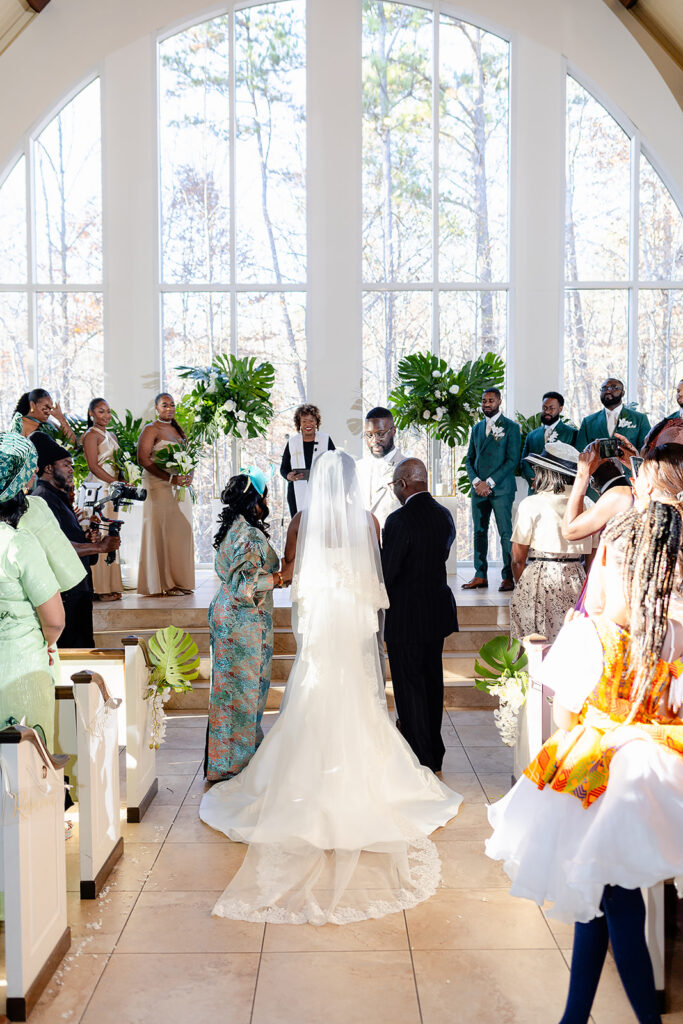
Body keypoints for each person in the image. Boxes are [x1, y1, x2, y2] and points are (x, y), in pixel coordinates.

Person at [199, 450, 462, 925]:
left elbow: (293, 575)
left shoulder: (301, 520)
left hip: (321, 623)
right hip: (354, 622)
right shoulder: (367, 520)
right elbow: (377, 576)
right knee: (361, 696)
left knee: (313, 691)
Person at [486, 500, 683, 1024]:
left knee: (617, 906)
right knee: (595, 907)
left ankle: (645, 1019)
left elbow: (566, 723)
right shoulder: (674, 634)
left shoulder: (589, 635)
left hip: (599, 788)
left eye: (607, 564)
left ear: (624, 573)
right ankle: (573, 1018)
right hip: (648, 786)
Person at [205, 469, 286, 782]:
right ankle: (236, 763)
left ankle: (222, 761)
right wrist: (280, 578)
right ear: (257, 500)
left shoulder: (233, 526)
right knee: (245, 693)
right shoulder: (251, 535)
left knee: (227, 694)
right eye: (265, 496)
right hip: (244, 622)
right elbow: (245, 587)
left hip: (225, 614)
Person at [381, 458, 458, 773]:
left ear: (402, 483)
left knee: (408, 683)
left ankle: (419, 753)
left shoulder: (398, 520)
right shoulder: (444, 515)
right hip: (435, 610)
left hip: (406, 614)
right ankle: (434, 750)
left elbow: (390, 570)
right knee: (431, 681)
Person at [0, 433, 65, 749]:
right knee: (26, 767)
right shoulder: (18, 543)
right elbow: (54, 621)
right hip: (19, 667)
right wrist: (50, 644)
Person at [30, 432, 119, 648]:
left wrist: (87, 538)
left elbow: (65, 537)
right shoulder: (43, 497)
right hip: (65, 593)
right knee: (73, 649)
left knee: (84, 646)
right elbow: (56, 548)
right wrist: (98, 547)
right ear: (49, 467)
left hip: (78, 589)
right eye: (66, 464)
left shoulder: (56, 495)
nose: (71, 469)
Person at [510, 442, 599, 642]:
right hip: (576, 576)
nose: (534, 475)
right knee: (572, 643)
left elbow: (517, 559)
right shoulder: (589, 504)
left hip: (538, 578)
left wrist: (522, 585)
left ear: (548, 473)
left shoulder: (531, 504)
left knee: (534, 646)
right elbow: (593, 559)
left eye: (538, 470)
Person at [463, 388, 521, 592]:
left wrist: (490, 482)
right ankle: (480, 575)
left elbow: (512, 460)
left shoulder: (512, 427)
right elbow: (469, 459)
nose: (486, 404)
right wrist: (477, 482)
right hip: (478, 489)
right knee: (479, 532)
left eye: (491, 400)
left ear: (499, 401)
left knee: (505, 533)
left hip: (501, 489)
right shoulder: (477, 428)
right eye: (484, 401)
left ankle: (508, 576)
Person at [137, 392, 195, 596]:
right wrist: (169, 478)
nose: (169, 408)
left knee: (181, 531)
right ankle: (165, 583)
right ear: (156, 408)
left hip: (178, 487)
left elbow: (189, 457)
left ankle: (181, 580)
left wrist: (189, 475)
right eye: (164, 405)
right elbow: (143, 459)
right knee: (162, 532)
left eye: (172, 405)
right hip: (158, 486)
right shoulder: (151, 429)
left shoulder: (178, 430)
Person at [81, 397, 123, 602]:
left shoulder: (112, 435)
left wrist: (123, 479)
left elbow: (118, 462)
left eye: (108, 411)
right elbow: (93, 467)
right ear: (91, 414)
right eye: (100, 411)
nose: (105, 415)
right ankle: (99, 587)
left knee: (112, 530)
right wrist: (114, 482)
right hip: (98, 488)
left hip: (112, 489)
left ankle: (111, 584)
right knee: (99, 532)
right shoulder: (91, 435)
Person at [561, 440, 633, 543]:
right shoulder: (634, 488)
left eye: (589, 460)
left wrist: (582, 474)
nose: (586, 463)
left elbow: (569, 531)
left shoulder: (616, 494)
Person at [575, 378, 650, 470]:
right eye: (604, 388)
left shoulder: (640, 419)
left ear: (623, 393)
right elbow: (580, 452)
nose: (608, 390)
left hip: (629, 479)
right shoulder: (588, 422)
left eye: (614, 387)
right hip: (597, 478)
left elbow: (646, 451)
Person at [355, 406, 409, 531]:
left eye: (380, 434)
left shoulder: (408, 467)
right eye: (369, 435)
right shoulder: (358, 467)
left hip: (395, 541)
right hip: (364, 543)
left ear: (394, 431)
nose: (375, 440)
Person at [280, 403, 335, 517]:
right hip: (296, 492)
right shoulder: (292, 442)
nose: (308, 424)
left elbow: (336, 464)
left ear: (316, 422)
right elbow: (283, 469)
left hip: (321, 491)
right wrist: (288, 476)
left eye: (311, 420)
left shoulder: (325, 440)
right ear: (299, 423)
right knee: (299, 527)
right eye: (304, 421)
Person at [520, 391, 577, 494]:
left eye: (551, 408)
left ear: (560, 409)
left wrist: (553, 482)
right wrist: (534, 480)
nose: (547, 411)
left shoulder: (572, 433)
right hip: (535, 489)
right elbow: (524, 461)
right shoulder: (532, 435)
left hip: (560, 489)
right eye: (544, 408)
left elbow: (574, 463)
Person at [12, 388, 77, 445]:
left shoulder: (49, 423)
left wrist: (61, 419)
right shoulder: (21, 425)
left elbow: (73, 445)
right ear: (32, 405)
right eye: (45, 408)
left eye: (50, 408)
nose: (49, 412)